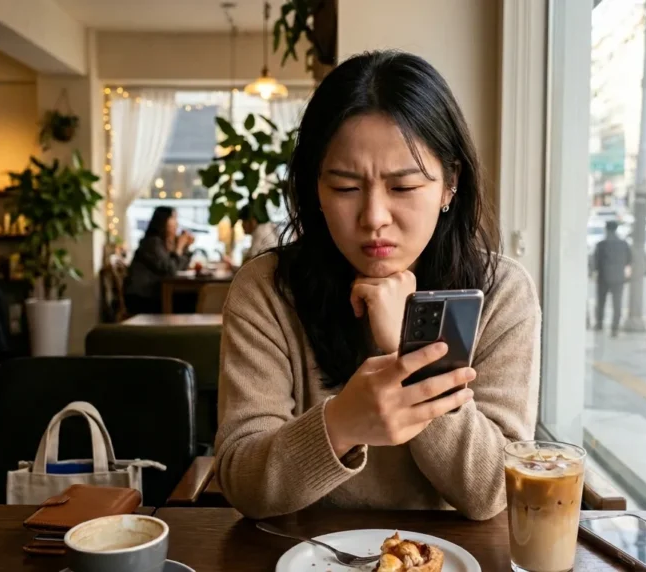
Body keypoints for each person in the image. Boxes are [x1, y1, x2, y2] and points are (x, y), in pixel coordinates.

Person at [214, 51, 541, 520]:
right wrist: (342, 423)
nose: (374, 218)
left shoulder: (501, 291)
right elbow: (243, 485)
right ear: (315, 191)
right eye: (346, 188)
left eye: (404, 187)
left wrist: (413, 348)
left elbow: (492, 490)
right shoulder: (267, 289)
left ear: (450, 183)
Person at [123, 206, 194, 315]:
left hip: (154, 293)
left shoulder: (163, 243)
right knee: (189, 300)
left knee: (190, 297)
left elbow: (179, 267)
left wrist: (185, 248)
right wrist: (179, 248)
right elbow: (170, 270)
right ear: (163, 221)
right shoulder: (152, 243)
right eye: (173, 218)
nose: (177, 223)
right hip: (142, 297)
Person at [592, 220, 631, 336]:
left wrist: (594, 272)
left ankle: (599, 323)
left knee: (601, 302)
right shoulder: (624, 244)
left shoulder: (601, 244)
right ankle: (615, 327)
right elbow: (629, 259)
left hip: (603, 276)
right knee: (617, 303)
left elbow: (596, 261)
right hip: (619, 277)